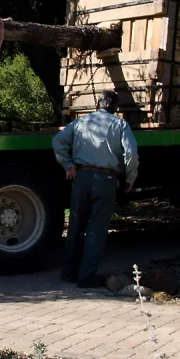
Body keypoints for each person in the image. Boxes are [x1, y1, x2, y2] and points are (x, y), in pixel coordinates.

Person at [52, 89, 138, 287]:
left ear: (98, 104)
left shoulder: (81, 122)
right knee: (96, 229)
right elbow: (131, 153)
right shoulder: (120, 124)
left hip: (81, 177)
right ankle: (87, 276)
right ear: (115, 107)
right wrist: (130, 177)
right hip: (105, 178)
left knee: (75, 225)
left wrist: (68, 165)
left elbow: (58, 140)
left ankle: (69, 272)